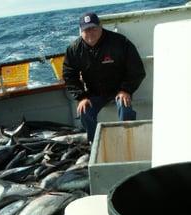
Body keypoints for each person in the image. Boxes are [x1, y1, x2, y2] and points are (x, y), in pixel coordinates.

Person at [63, 11, 146, 142]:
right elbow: (69, 75)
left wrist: (126, 90)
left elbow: (137, 69)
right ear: (81, 31)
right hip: (95, 93)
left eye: (93, 28)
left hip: (119, 90)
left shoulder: (119, 42)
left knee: (125, 108)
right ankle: (95, 143)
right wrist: (81, 97)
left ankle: (130, 139)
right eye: (86, 30)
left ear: (100, 26)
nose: (90, 33)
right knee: (84, 111)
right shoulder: (74, 49)